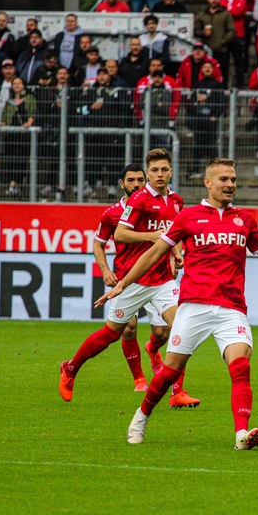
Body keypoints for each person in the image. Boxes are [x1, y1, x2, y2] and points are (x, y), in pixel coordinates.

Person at [96, 158, 258, 449]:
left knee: (240, 367)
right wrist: (123, 283)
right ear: (208, 182)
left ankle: (241, 433)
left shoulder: (245, 220)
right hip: (194, 307)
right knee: (169, 372)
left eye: (233, 179)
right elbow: (154, 254)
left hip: (232, 308)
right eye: (224, 179)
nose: (230, 184)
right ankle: (141, 416)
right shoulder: (188, 217)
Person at [59, 149, 201, 409]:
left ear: (171, 171)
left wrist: (177, 253)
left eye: (164, 169)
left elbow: (173, 233)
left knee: (180, 328)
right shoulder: (139, 200)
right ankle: (70, 369)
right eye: (155, 170)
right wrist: (151, 237)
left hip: (162, 280)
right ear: (148, 173)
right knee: (112, 334)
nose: (160, 174)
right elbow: (121, 235)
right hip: (132, 278)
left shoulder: (176, 201)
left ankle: (177, 392)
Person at [92, 163, 161, 393]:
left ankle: (153, 348)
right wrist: (105, 270)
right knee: (128, 328)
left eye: (140, 180)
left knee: (163, 332)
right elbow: (98, 243)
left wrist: (174, 257)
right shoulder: (112, 213)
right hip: (127, 277)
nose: (136, 184)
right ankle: (139, 379)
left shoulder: (155, 207)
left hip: (157, 277)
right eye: (131, 180)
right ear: (122, 184)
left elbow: (169, 235)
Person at [195, 0, 235, 83]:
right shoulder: (202, 14)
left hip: (221, 50)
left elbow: (232, 30)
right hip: (205, 51)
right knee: (203, 74)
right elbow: (195, 30)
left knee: (222, 74)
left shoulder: (226, 14)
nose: (214, 0)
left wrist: (223, 41)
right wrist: (203, 32)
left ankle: (223, 91)